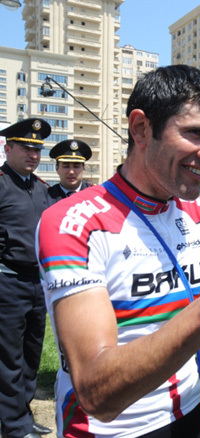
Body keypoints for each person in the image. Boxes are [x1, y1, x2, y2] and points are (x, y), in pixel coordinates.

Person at [35, 65, 200, 437]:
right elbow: (98, 393)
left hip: (193, 410)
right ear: (142, 129)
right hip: (112, 429)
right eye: (195, 133)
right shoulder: (73, 222)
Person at [0, 118, 53, 438]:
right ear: (8, 148)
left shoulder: (41, 188)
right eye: (25, 148)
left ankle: (23, 412)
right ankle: (14, 426)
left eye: (37, 149)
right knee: (9, 358)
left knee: (31, 355)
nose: (33, 154)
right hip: (7, 282)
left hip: (37, 284)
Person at [47, 139, 93, 203]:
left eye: (76, 166)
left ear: (83, 168)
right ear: (57, 168)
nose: (71, 172)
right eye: (66, 166)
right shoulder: (47, 196)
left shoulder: (94, 194)